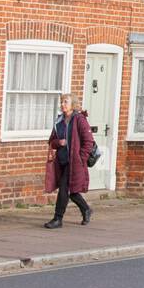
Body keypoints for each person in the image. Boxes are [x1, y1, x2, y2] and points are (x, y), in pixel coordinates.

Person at [45, 94, 94, 228]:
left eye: (65, 102)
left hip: (75, 162)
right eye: (61, 102)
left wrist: (81, 158)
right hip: (62, 161)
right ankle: (86, 209)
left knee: (64, 189)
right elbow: (51, 141)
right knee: (72, 191)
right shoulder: (59, 121)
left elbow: (89, 141)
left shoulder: (79, 119)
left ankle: (57, 219)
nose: (62, 104)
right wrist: (58, 142)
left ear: (73, 104)